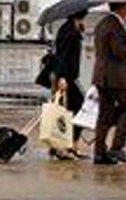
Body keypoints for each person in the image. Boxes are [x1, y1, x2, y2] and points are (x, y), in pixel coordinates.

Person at [92, 1, 126, 166]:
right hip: (115, 78)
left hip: (102, 77)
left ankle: (99, 152)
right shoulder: (115, 25)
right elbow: (118, 51)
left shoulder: (102, 23)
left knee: (104, 115)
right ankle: (117, 147)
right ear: (124, 8)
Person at [49, 10, 88, 160]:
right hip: (65, 77)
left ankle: (65, 146)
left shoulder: (71, 28)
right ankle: (67, 145)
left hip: (67, 76)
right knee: (74, 108)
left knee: (66, 110)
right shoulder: (68, 30)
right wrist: (63, 77)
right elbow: (63, 54)